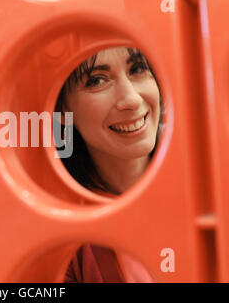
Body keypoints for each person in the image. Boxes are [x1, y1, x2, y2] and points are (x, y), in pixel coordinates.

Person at [56, 47, 163, 282]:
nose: (132, 99)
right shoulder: (59, 230)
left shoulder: (211, 183)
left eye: (137, 69)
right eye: (97, 80)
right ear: (62, 109)